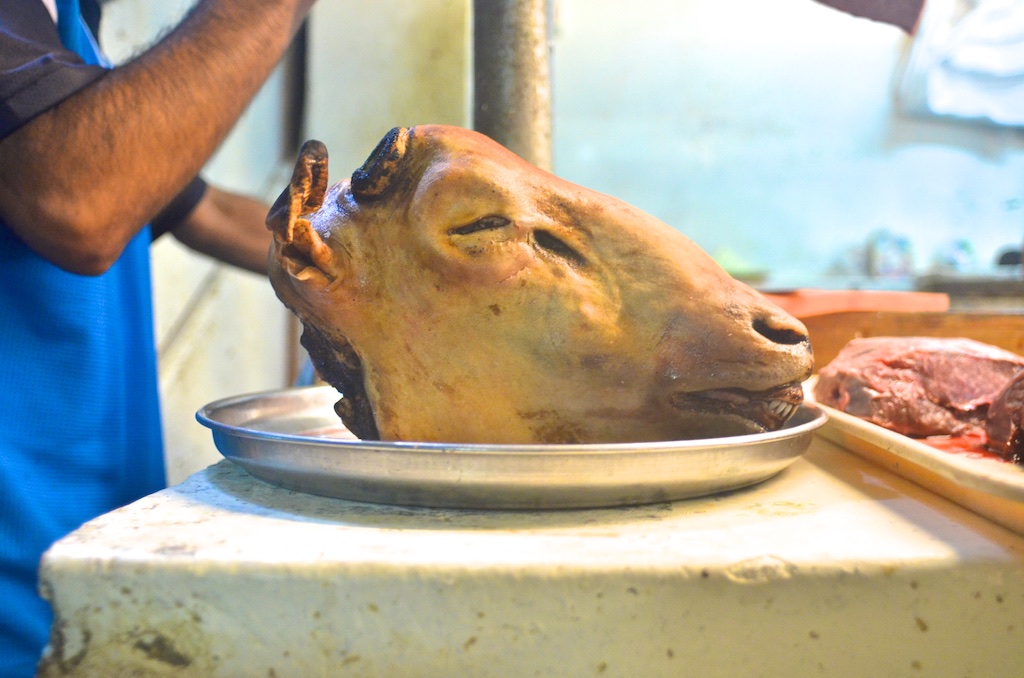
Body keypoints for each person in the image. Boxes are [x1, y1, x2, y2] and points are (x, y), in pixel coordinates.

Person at [0, 0, 318, 674]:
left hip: (86, 586)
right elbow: (80, 202)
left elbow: (211, 213)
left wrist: (394, 262)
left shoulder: (69, 36)